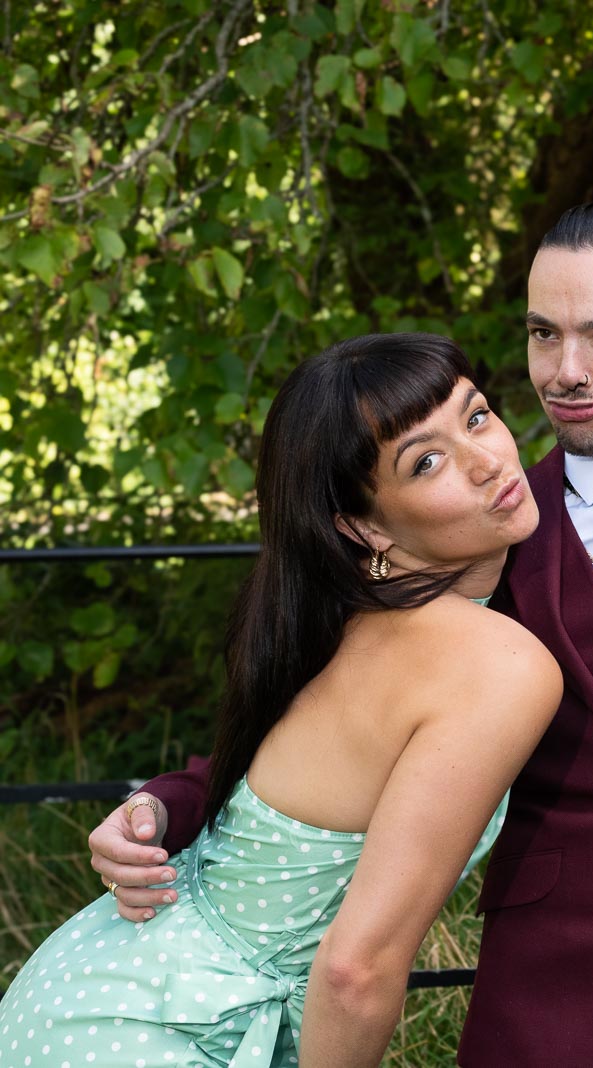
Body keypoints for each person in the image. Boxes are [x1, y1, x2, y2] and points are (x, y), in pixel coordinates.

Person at [85, 199, 593, 1067]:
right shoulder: (470, 529)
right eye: (545, 335)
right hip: (548, 993)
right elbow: (325, 713)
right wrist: (167, 801)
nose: (565, 370)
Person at [4, 333, 562, 1066]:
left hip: (92, 989)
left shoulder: (341, 618)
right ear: (363, 525)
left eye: (478, 415)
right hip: (159, 1035)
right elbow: (354, 971)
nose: (487, 459)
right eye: (426, 461)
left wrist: (164, 803)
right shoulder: (495, 663)